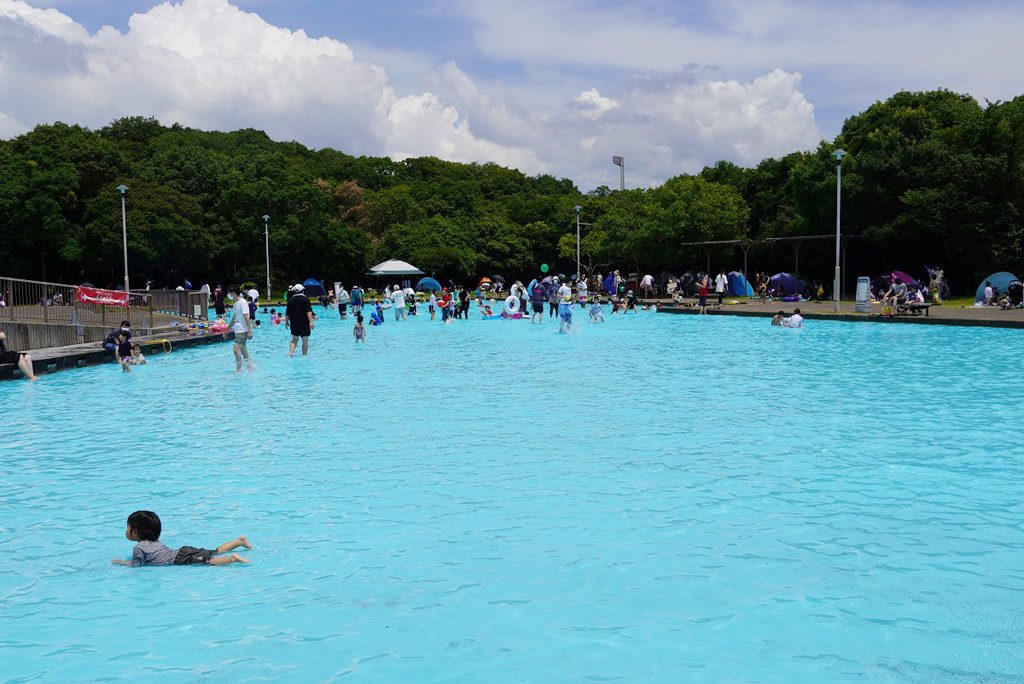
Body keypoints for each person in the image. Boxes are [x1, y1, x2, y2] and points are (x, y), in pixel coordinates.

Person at [111, 511, 251, 567]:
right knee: (214, 551)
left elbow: (136, 564)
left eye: (127, 527)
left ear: (135, 532)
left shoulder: (138, 548)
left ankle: (232, 559)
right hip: (183, 550)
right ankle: (239, 542)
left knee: (208, 561)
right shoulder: (154, 541)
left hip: (179, 559)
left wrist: (121, 562)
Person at [227, 285, 254, 372]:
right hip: (238, 330)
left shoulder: (242, 302)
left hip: (242, 331)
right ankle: (251, 367)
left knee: (236, 350)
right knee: (244, 351)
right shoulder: (235, 304)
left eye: (229, 293)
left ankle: (239, 370)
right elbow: (234, 319)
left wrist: (249, 331)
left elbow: (247, 316)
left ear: (234, 293)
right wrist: (226, 330)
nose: (228, 295)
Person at [285, 284, 314, 358]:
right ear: (302, 291)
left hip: (294, 323)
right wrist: (311, 321)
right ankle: (304, 355)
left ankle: (291, 354)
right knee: (305, 339)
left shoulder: (290, 300)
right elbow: (308, 311)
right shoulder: (305, 299)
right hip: (304, 322)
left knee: (294, 339)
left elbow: (287, 313)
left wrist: (286, 322)